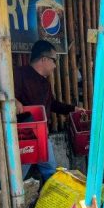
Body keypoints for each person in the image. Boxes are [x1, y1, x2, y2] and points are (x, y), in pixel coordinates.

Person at [13, 40, 84, 180]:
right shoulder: (19, 75)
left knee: (51, 172)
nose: (55, 66)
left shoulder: (45, 83)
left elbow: (52, 104)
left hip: (42, 135)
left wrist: (73, 109)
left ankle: (50, 200)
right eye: (54, 60)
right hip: (23, 137)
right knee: (18, 177)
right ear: (44, 59)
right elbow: (1, 94)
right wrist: (13, 101)